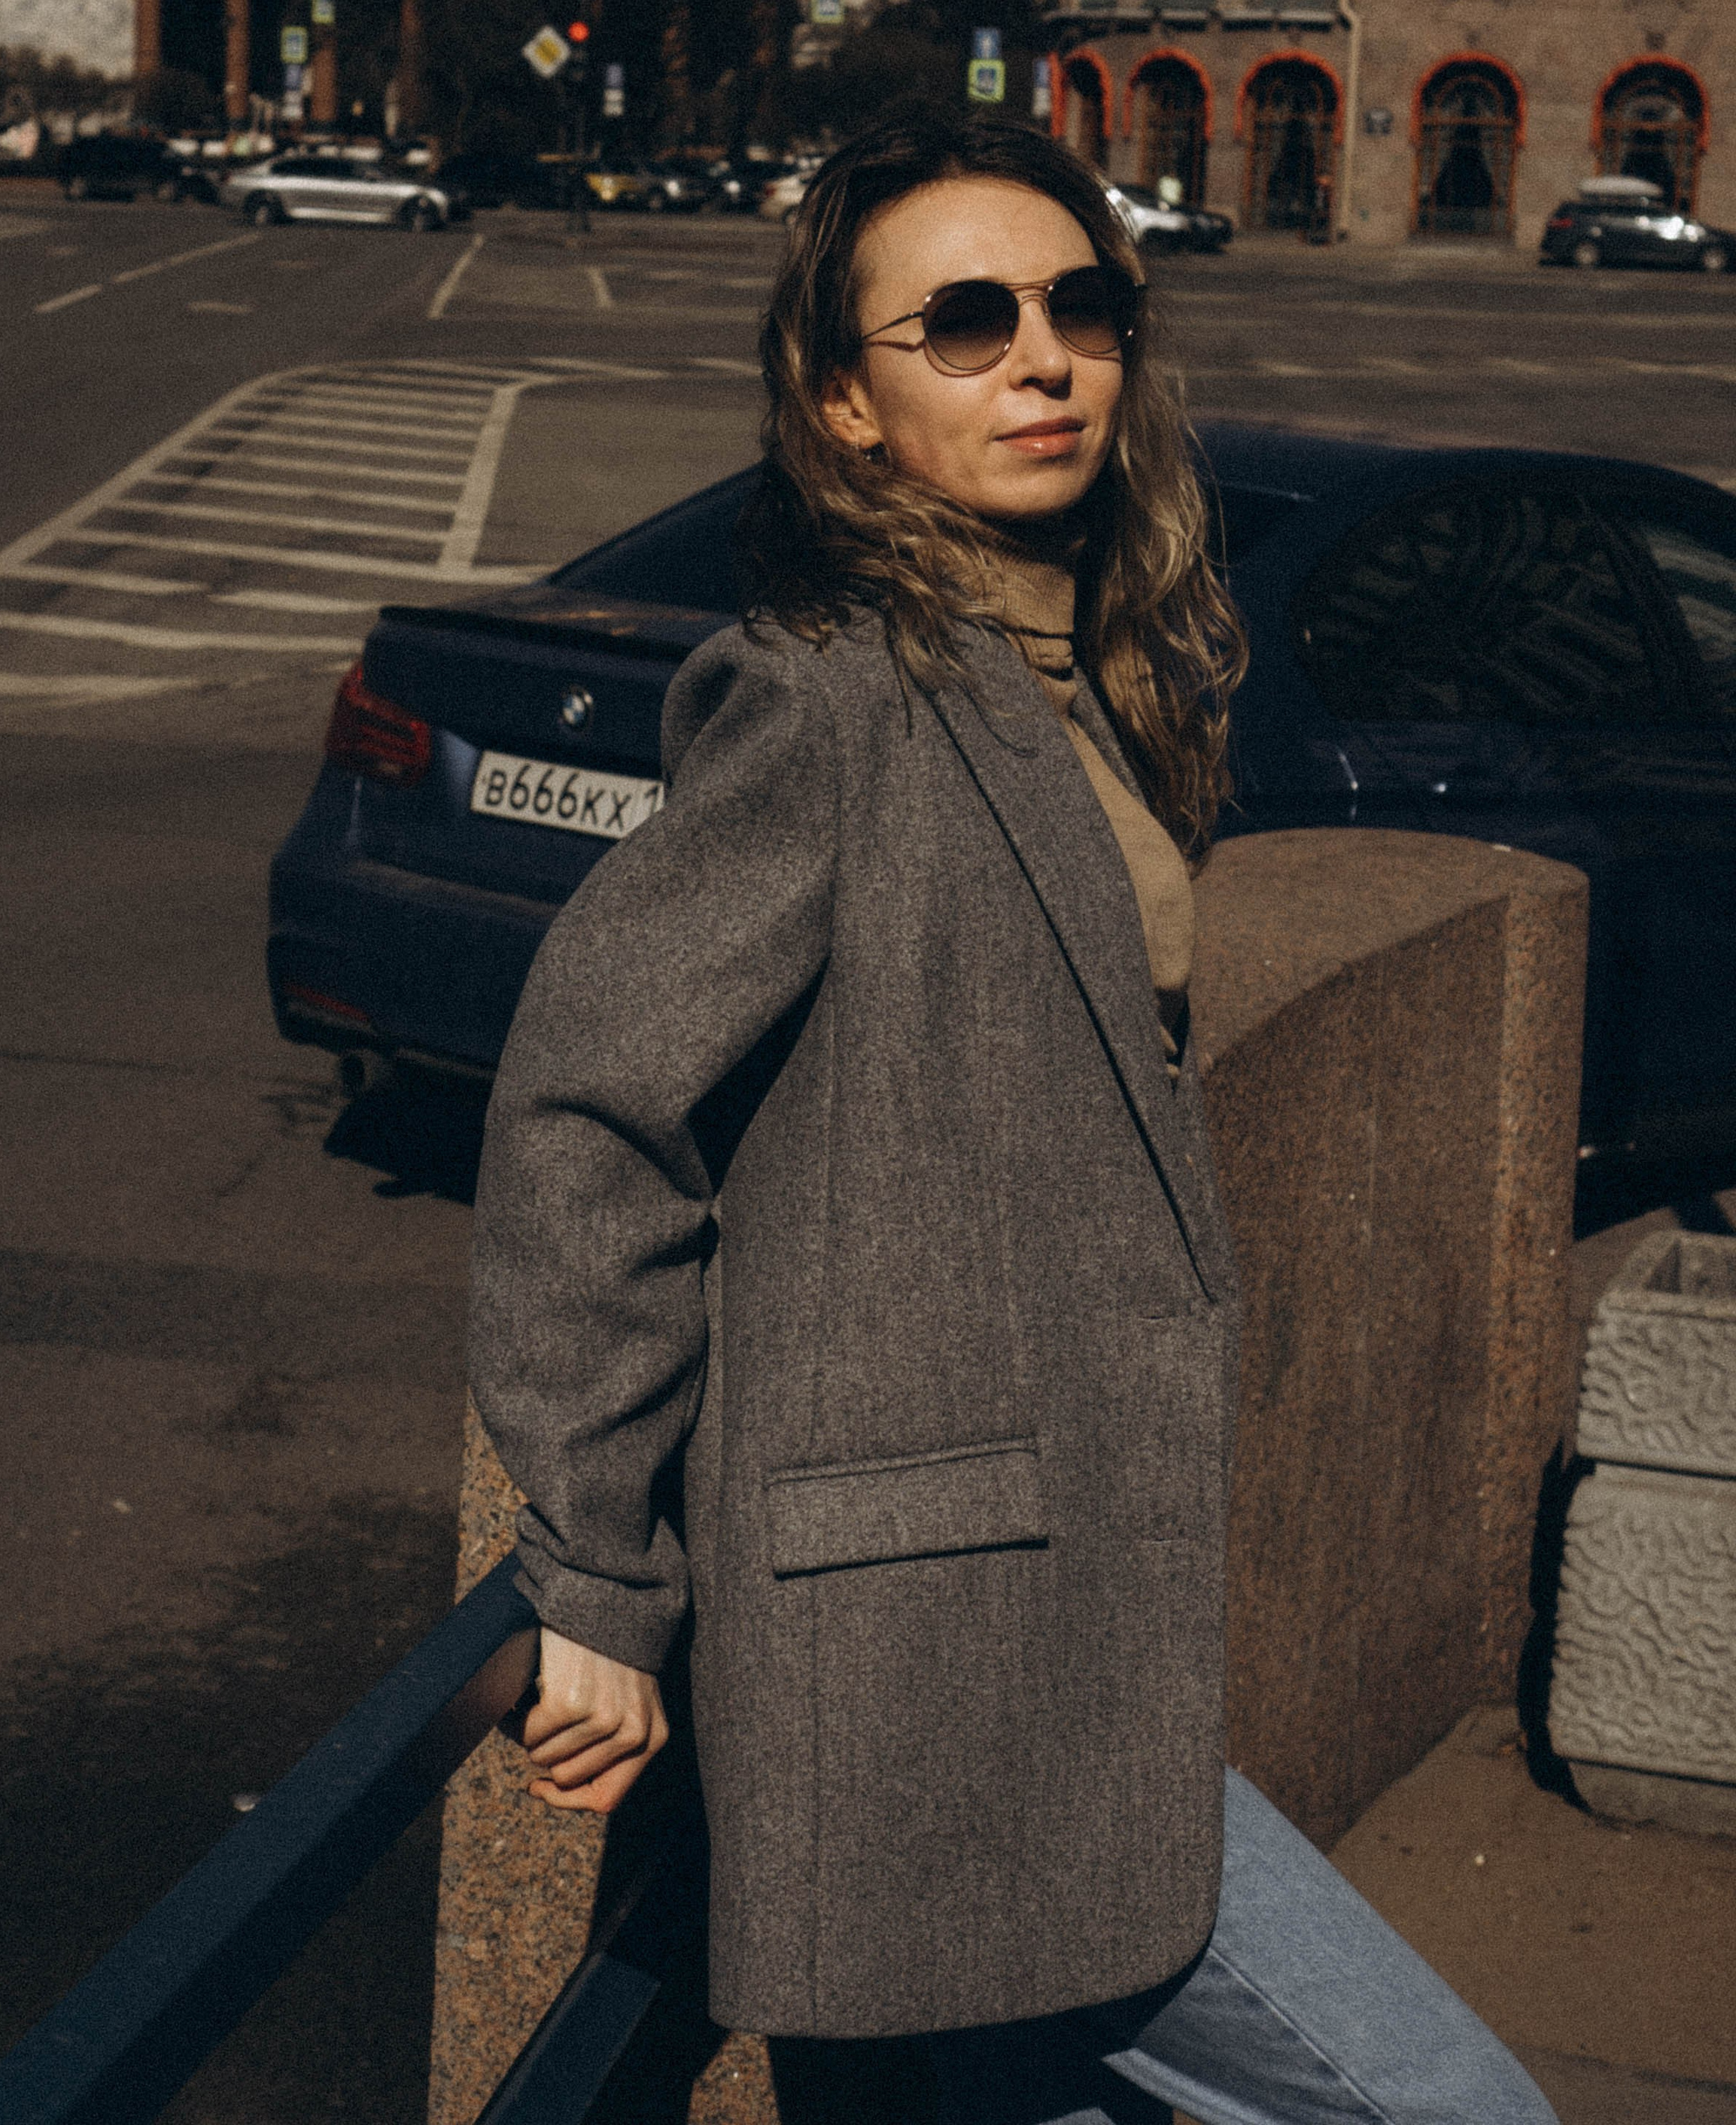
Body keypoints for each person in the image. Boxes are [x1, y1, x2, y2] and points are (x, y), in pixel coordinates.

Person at [467, 114, 1555, 2125]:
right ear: (843, 403)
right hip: (917, 1653)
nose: (1044, 359)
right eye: (963, 323)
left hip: (1047, 1615)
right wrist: (598, 1585)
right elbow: (584, 1110)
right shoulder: (831, 701)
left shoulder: (1084, 664)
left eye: (1083, 309)